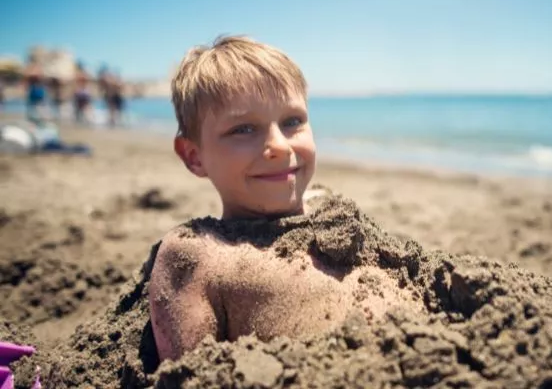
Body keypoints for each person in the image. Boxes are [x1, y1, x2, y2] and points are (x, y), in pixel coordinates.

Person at [148, 36, 419, 362]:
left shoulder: (333, 210)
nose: (280, 146)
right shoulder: (196, 253)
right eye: (244, 129)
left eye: (293, 121)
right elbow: (186, 375)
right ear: (194, 156)